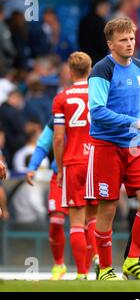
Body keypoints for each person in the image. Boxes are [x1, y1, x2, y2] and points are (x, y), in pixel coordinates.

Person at [87, 17, 140, 281]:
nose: (129, 44)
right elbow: (97, 112)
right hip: (107, 145)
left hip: (135, 145)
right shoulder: (101, 70)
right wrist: (134, 122)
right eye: (123, 40)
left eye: (131, 38)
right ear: (110, 44)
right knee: (108, 207)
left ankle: (131, 261)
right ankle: (105, 269)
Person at [53, 51, 98, 280]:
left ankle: (82, 272)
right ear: (90, 70)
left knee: (77, 221)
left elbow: (59, 138)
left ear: (70, 72)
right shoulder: (99, 93)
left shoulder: (62, 98)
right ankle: (100, 259)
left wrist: (60, 169)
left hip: (74, 162)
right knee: (94, 218)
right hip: (97, 160)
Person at [26, 117, 69, 280]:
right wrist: (32, 167)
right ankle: (59, 265)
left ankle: (84, 271)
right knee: (56, 220)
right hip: (59, 176)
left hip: (84, 174)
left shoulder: (97, 110)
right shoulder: (59, 115)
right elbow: (43, 143)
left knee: (86, 222)